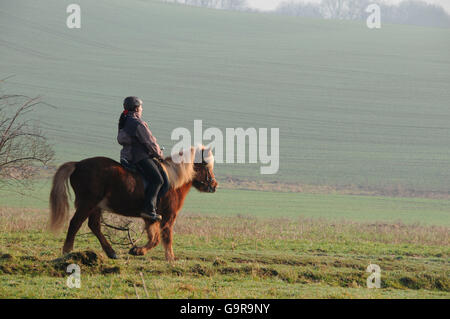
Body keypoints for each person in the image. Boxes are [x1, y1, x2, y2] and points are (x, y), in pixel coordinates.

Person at [117, 96, 165, 221]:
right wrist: (159, 154)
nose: (142, 109)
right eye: (141, 107)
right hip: (139, 157)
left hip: (126, 156)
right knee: (158, 180)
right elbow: (149, 142)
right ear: (137, 108)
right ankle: (148, 210)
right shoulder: (138, 124)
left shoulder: (125, 121)